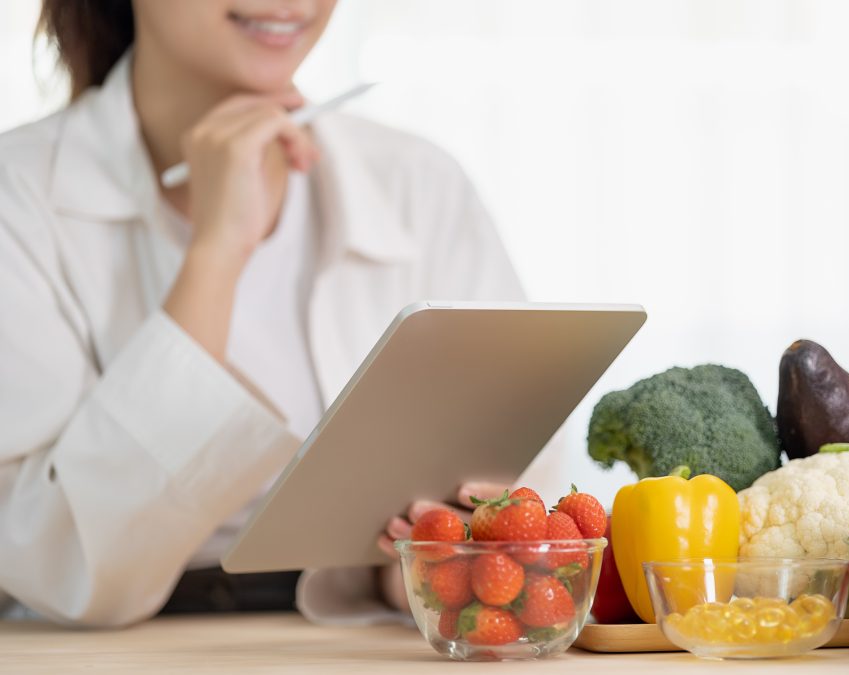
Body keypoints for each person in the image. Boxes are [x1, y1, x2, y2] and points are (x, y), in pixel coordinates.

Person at [0, 0, 525, 627]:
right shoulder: (18, 198)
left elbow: (508, 490)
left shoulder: (420, 182)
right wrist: (217, 253)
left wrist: (415, 570)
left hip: (367, 642)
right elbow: (67, 571)